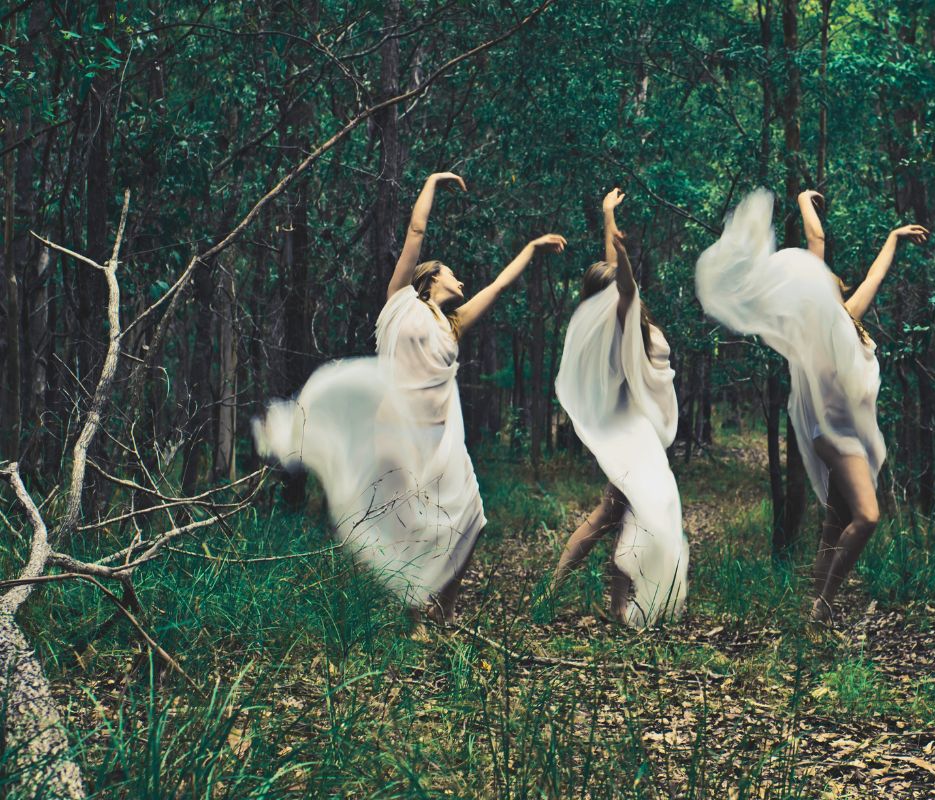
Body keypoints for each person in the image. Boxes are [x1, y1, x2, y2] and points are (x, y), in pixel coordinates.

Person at [254, 171, 565, 624]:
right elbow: (415, 232)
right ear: (431, 279)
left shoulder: (451, 324)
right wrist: (433, 183)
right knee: (419, 526)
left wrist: (531, 250)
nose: (460, 280)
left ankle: (445, 611)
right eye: (452, 274)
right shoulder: (400, 301)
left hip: (442, 440)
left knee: (471, 521)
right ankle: (418, 617)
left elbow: (497, 287)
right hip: (399, 433)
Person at [695, 187, 927, 624]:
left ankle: (814, 614)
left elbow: (874, 279)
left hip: (848, 432)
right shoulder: (817, 326)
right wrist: (803, 199)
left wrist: (893, 239)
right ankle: (823, 606)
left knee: (833, 527)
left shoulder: (847, 321)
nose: (836, 283)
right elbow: (816, 244)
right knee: (868, 517)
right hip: (836, 436)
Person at [553, 187, 688, 627]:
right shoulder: (622, 316)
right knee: (631, 511)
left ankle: (610, 603)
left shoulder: (618, 315)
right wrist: (626, 259)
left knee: (619, 512)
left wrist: (607, 213)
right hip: (631, 434)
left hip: (639, 428)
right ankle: (558, 593)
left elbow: (611, 265)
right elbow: (624, 282)